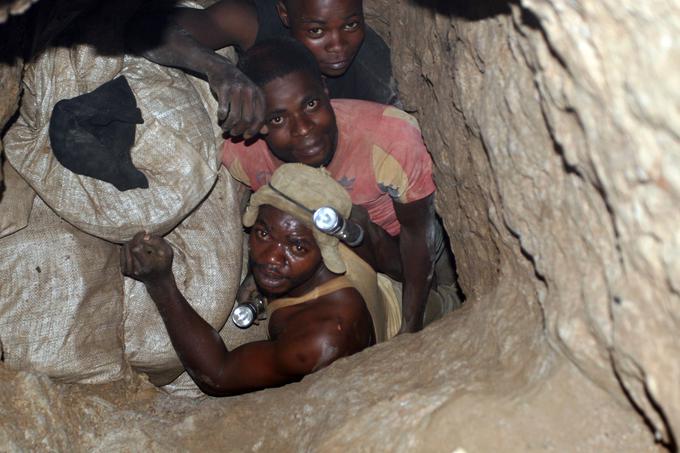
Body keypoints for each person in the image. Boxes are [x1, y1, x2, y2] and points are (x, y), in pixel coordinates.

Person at [121, 164, 398, 396]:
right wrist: (258, 280)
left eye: (297, 247)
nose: (270, 259)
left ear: (326, 247)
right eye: (263, 234)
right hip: (381, 294)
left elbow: (219, 375)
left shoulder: (318, 339)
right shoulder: (347, 226)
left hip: (392, 338)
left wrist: (161, 283)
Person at [222, 38, 439, 333]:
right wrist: (255, 271)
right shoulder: (242, 154)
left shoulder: (390, 137)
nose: (302, 129)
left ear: (325, 90)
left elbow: (418, 235)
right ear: (257, 122)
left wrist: (410, 329)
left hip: (395, 248)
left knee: (352, 217)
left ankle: (440, 300)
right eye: (277, 118)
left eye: (310, 104)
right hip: (309, 250)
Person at [126, 0, 400, 139]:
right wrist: (219, 69)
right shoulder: (254, 22)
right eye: (316, 31)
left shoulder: (375, 82)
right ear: (284, 14)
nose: (338, 46)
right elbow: (143, 30)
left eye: (351, 25)